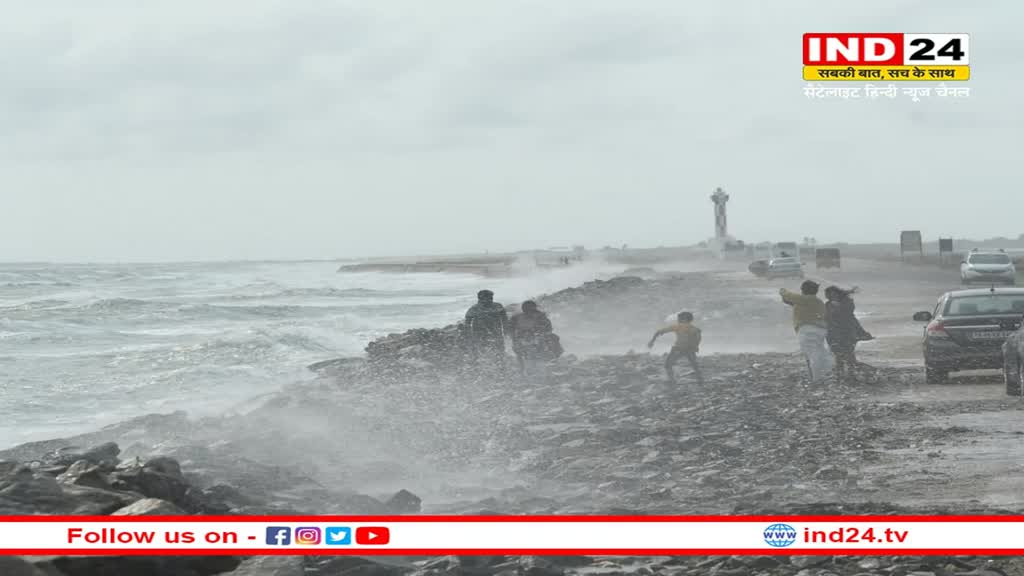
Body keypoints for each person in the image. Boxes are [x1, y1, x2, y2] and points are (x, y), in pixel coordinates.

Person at [780, 280, 832, 383]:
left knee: (813, 354)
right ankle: (820, 375)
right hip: (819, 329)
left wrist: (782, 291)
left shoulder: (806, 299)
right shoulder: (816, 301)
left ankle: (817, 378)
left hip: (808, 330)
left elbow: (788, 295)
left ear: (804, 289)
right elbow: (791, 302)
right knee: (818, 352)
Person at [825, 285, 874, 382]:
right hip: (833, 333)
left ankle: (850, 375)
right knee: (838, 355)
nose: (827, 296)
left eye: (829, 294)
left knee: (848, 355)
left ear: (836, 294)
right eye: (826, 295)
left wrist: (861, 332)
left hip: (847, 332)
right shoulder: (828, 304)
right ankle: (840, 375)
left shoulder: (847, 303)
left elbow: (847, 316)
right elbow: (827, 317)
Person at [648, 311, 704, 384]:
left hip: (678, 349)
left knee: (668, 365)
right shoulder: (695, 329)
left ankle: (672, 380)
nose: (678, 320)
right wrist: (695, 347)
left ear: (683, 319)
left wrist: (652, 341)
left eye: (679, 319)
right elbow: (698, 339)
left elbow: (659, 331)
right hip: (690, 350)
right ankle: (700, 380)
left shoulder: (678, 326)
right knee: (694, 365)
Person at [464, 290, 509, 371]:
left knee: (499, 350)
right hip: (479, 333)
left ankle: (501, 366)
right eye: (487, 298)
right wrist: (468, 335)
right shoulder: (474, 308)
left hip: (496, 332)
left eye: (491, 298)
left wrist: (506, 330)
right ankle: (478, 367)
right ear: (480, 299)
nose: (489, 300)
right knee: (479, 351)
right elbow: (467, 322)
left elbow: (504, 319)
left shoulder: (498, 306)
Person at [509, 300, 557, 376]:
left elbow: (548, 328)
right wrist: (515, 337)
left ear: (534, 308)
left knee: (553, 340)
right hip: (522, 339)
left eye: (531, 308)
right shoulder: (516, 318)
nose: (529, 311)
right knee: (519, 352)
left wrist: (540, 334)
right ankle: (522, 369)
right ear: (523, 309)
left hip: (537, 338)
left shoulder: (541, 316)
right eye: (527, 308)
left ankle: (550, 363)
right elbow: (510, 329)